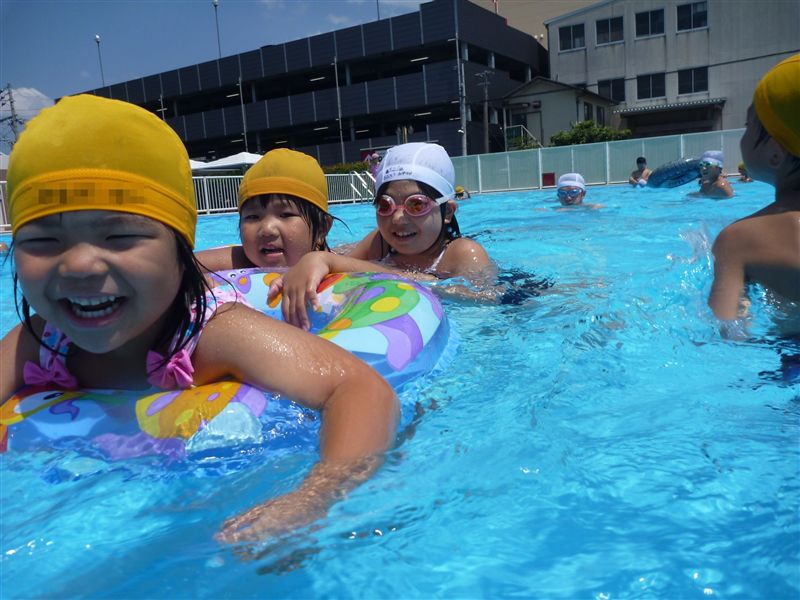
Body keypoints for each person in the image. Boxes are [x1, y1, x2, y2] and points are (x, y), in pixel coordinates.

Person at [0, 95, 399, 543]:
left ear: (180, 249)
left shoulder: (212, 333)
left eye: (119, 235)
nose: (78, 266)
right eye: (43, 240)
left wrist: (316, 496)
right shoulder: (42, 339)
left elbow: (360, 389)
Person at [269, 142, 495, 329]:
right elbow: (341, 262)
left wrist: (327, 261)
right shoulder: (382, 242)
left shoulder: (462, 253)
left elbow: (486, 299)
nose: (397, 218)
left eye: (416, 204)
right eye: (386, 205)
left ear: (447, 212)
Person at [708, 54, 800, 332]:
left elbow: (728, 335)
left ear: (775, 152)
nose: (744, 134)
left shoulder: (740, 239)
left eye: (748, 125)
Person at [196, 148, 333, 271]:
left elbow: (347, 264)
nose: (267, 229)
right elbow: (186, 266)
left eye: (285, 214)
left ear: (321, 229)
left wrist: (326, 262)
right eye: (253, 217)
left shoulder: (332, 263)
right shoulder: (243, 260)